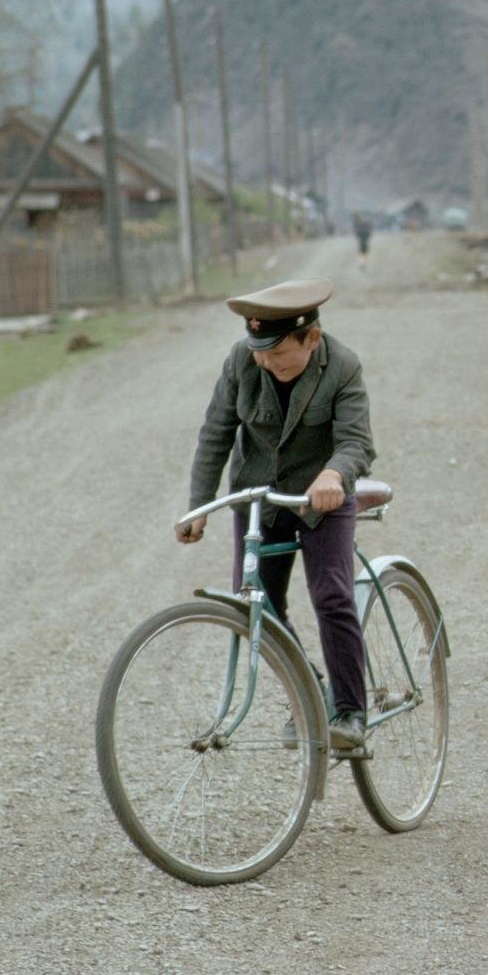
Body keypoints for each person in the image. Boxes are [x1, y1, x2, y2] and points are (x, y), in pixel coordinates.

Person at [178, 279, 377, 750]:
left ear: (312, 338)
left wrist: (334, 474)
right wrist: (198, 505)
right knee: (256, 607)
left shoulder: (342, 366)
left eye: (279, 355)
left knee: (331, 594)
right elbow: (216, 434)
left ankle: (350, 712)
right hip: (260, 499)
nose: (268, 363)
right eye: (261, 354)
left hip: (320, 500)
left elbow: (357, 442)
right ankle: (311, 691)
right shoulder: (241, 362)